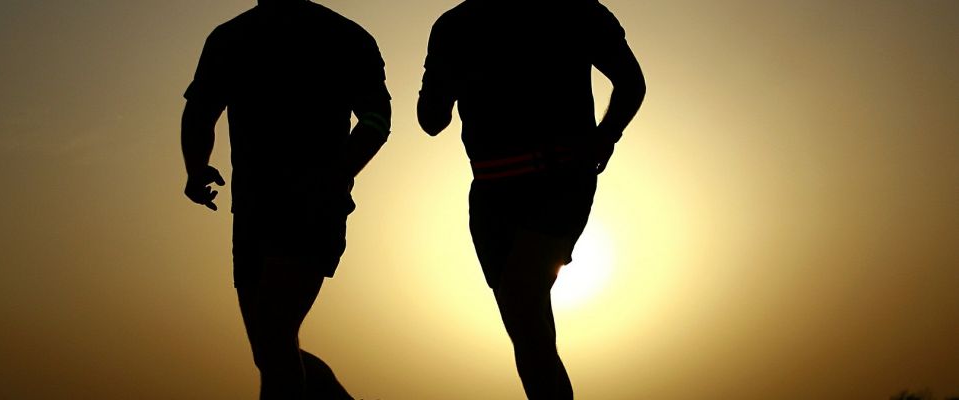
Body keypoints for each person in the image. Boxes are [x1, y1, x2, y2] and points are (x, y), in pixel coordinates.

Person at [417, 1, 645, 398]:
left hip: (559, 182)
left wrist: (606, 136)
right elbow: (432, 120)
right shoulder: (454, 26)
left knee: (524, 309)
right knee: (529, 332)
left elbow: (631, 82)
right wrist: (450, 76)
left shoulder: (576, 10)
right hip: (490, 191)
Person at [181, 0, 391, 398]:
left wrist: (335, 175)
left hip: (315, 210)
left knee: (274, 336)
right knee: (270, 348)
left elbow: (376, 119)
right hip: (252, 211)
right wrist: (195, 168)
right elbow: (201, 110)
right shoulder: (230, 38)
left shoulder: (345, 37)